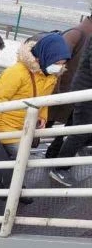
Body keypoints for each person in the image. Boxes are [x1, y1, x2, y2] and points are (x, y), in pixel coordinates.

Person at [0, 33, 69, 157]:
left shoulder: (50, 75)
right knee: (22, 160)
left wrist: (42, 116)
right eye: (57, 63)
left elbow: (43, 99)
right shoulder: (16, 72)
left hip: (25, 127)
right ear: (45, 56)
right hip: (6, 129)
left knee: (19, 163)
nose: (60, 67)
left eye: (63, 63)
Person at [44, 17, 92, 163]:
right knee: (46, 122)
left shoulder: (83, 31)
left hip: (73, 90)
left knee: (70, 127)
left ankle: (52, 155)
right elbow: (55, 62)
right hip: (63, 91)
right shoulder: (77, 33)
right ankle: (45, 155)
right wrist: (56, 89)